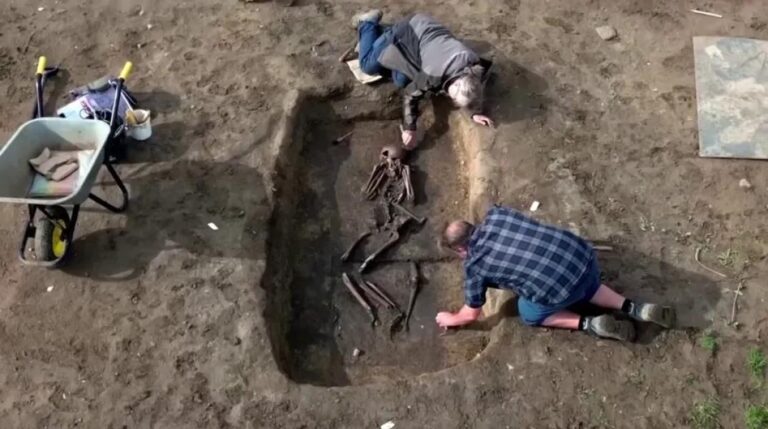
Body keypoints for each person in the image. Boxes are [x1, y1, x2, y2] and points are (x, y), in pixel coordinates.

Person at [436, 205, 676, 341]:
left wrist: (450, 318)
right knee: (586, 284)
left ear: (461, 249)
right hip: (584, 258)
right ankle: (635, 308)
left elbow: (471, 313)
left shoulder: (475, 266)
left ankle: (590, 324)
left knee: (528, 312)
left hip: (561, 288)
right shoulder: (498, 214)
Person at [351, 10, 495, 149]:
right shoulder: (433, 74)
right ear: (456, 85)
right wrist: (409, 129)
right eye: (453, 97)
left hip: (426, 34)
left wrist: (474, 112)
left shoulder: (474, 65)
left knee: (401, 80)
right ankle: (368, 23)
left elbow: (473, 90)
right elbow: (410, 95)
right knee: (367, 65)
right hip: (410, 30)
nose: (451, 99)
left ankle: (380, 39)